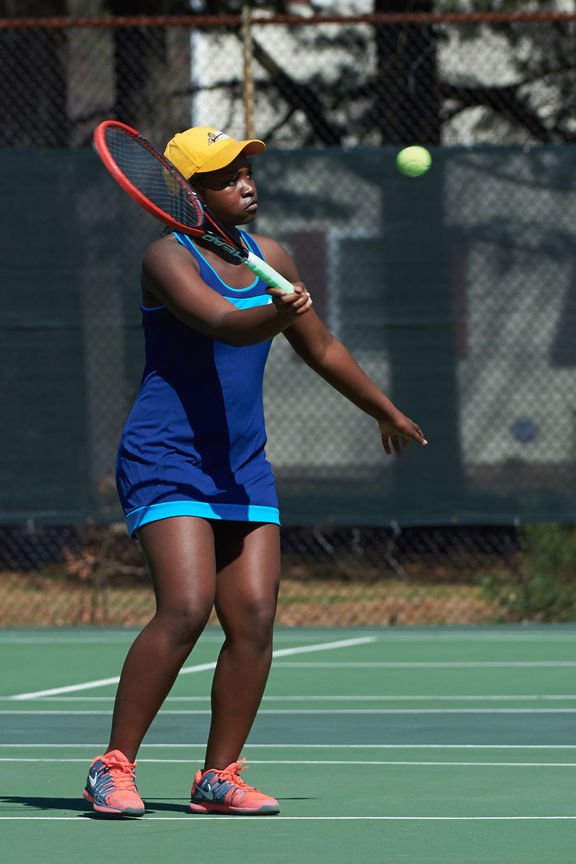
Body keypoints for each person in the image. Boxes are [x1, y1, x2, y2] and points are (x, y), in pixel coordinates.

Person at [83, 125, 428, 818]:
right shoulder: (166, 258)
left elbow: (321, 346)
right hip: (166, 456)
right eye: (227, 174)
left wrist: (384, 411)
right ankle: (112, 767)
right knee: (185, 609)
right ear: (188, 193)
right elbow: (220, 322)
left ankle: (218, 776)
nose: (247, 182)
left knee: (255, 618)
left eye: (247, 169)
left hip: (242, 465)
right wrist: (279, 308)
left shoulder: (271, 255)